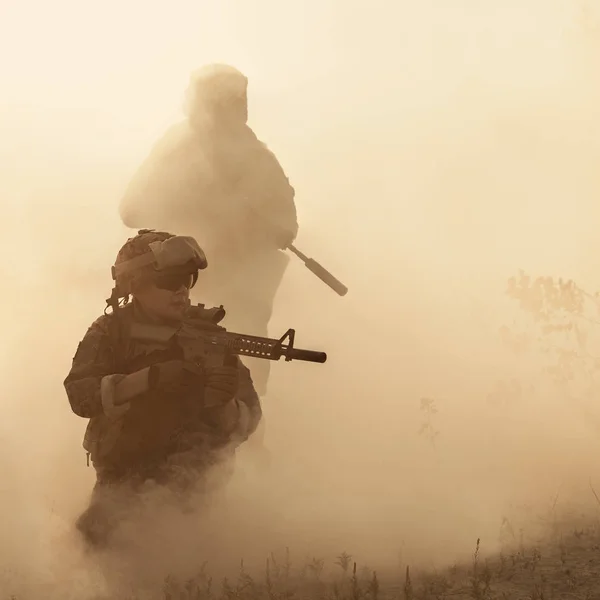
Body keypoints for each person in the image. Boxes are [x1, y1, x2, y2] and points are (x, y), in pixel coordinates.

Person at [64, 229, 262, 548]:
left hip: (194, 487)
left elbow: (249, 417)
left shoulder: (209, 337)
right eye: (170, 281)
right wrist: (149, 379)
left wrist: (223, 402)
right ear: (136, 285)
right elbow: (80, 395)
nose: (181, 291)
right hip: (123, 484)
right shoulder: (111, 332)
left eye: (188, 281)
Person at [117, 64, 298, 404]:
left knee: (240, 392)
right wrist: (182, 204)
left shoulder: (256, 158)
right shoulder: (176, 149)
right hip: (173, 295)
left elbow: (286, 226)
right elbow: (131, 210)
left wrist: (261, 223)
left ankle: (241, 448)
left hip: (239, 300)